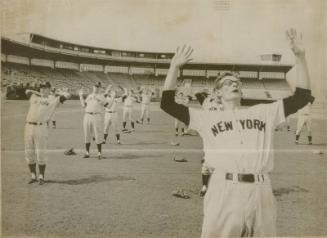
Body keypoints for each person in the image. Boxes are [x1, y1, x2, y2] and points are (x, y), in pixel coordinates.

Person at [160, 29, 314, 237]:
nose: (234, 84)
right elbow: (167, 103)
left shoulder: (263, 111)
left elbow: (302, 96)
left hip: (261, 191)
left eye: (237, 83)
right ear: (218, 92)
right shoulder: (206, 117)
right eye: (228, 83)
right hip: (224, 189)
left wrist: (300, 57)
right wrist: (173, 67)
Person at [24, 82, 70, 185]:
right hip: (28, 126)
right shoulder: (34, 97)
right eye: (41, 88)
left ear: (49, 89)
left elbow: (67, 95)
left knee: (41, 152)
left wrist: (56, 93)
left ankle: (41, 176)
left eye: (45, 88)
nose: (43, 89)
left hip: (41, 127)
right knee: (29, 152)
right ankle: (33, 175)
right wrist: (42, 93)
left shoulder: (53, 100)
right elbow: (27, 91)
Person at [195, 90, 223, 197]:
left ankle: (219, 187)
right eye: (216, 93)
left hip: (222, 135)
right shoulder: (208, 102)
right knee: (206, 164)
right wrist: (205, 93)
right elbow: (197, 95)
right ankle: (205, 186)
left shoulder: (225, 105)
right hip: (210, 134)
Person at [79, 82, 108, 160]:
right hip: (87, 115)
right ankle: (87, 153)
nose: (96, 88)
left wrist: (111, 97)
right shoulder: (89, 96)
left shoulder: (101, 96)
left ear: (100, 88)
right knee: (87, 134)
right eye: (95, 86)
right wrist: (81, 96)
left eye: (98, 87)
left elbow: (107, 105)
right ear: (93, 87)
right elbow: (83, 105)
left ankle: (99, 153)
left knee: (98, 134)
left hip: (96, 116)